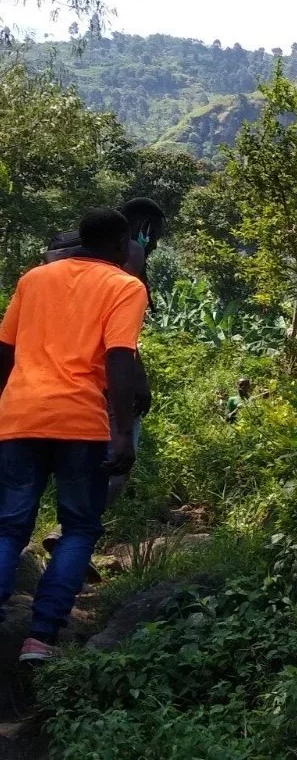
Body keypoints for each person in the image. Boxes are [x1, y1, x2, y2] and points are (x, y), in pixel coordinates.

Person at [0, 209, 147, 662]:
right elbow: (120, 359)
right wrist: (121, 432)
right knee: (80, 527)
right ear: (122, 244)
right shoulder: (124, 286)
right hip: (80, 422)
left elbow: (4, 351)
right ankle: (40, 637)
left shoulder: (34, 279)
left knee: (8, 526)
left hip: (20, 417)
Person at [41, 197, 162, 556]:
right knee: (117, 459)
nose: (152, 244)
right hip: (101, 375)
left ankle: (57, 537)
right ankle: (69, 536)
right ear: (141, 228)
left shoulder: (62, 253)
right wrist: (138, 380)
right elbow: (119, 339)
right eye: (154, 235)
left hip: (47, 370)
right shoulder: (131, 256)